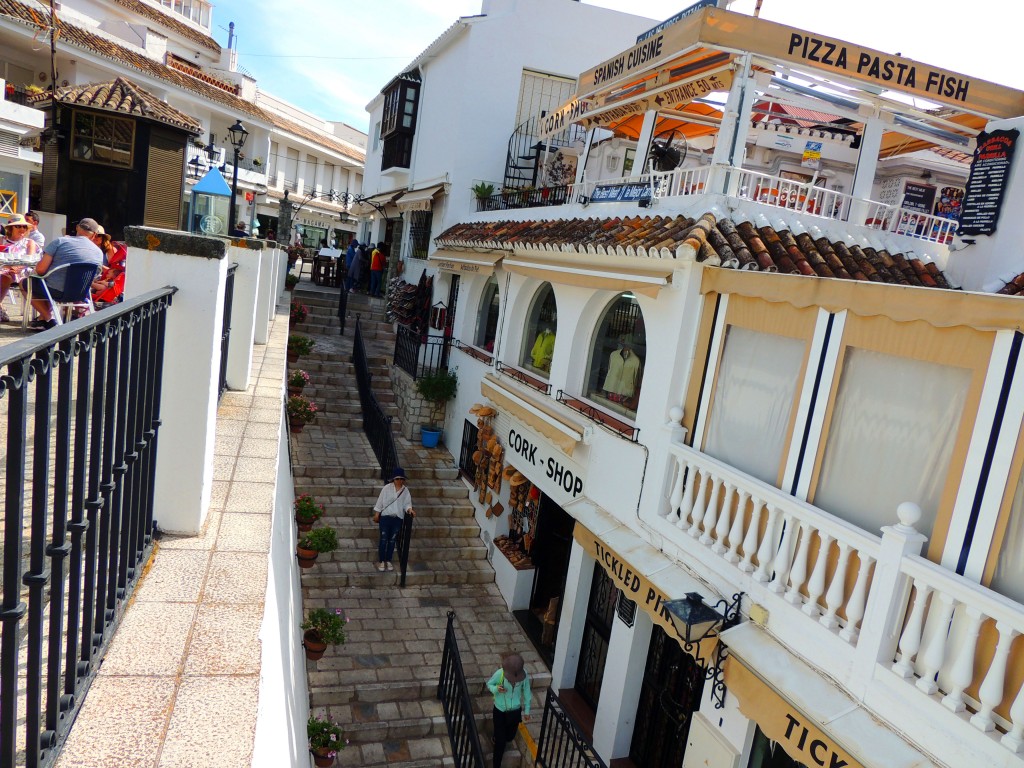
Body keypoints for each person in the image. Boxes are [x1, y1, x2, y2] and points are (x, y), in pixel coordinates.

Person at [26, 218, 104, 330]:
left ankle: (49, 318)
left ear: (77, 228)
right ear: (95, 234)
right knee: (45, 284)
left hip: (54, 290)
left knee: (26, 284)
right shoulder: (98, 252)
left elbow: (41, 270)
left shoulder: (60, 241)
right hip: (80, 293)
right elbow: (94, 277)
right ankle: (43, 318)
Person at [486, 653, 531, 767]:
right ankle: (496, 764)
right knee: (501, 743)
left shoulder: (524, 676)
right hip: (500, 711)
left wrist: (527, 711)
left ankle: (497, 736)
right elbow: (489, 684)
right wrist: (496, 689)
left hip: (515, 712)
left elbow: (527, 693)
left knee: (510, 736)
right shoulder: (499, 674)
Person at [372, 466, 415, 572]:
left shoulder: (405, 491)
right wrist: (377, 514)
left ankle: (388, 560)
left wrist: (410, 510)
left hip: (397, 519)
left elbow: (407, 504)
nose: (399, 481)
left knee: (392, 540)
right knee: (383, 539)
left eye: (401, 479)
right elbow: (380, 501)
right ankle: (382, 560)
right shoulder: (386, 488)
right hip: (386, 517)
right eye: (397, 478)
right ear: (393, 479)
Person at [0, 214, 40, 322]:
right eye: (18, 226)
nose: (22, 229)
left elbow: (30, 261)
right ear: (10, 228)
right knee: (4, 274)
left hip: (22, 272)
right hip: (4, 269)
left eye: (24, 226)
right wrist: (8, 267)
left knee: (5, 276)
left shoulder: (29, 243)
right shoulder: (2, 241)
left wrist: (17, 267)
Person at [90, 227, 128, 305]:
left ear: (103, 238)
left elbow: (111, 268)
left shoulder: (108, 251)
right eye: (94, 235)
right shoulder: (89, 248)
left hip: (100, 276)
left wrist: (98, 265)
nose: (95, 237)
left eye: (99, 235)